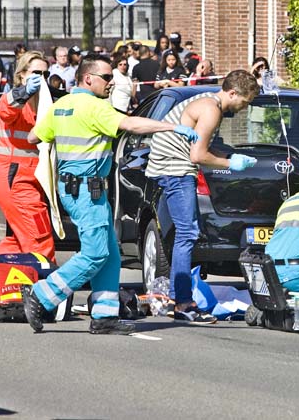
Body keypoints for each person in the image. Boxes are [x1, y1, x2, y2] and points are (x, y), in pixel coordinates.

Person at [22, 54, 200, 335]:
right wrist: (172, 126)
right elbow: (132, 125)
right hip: (86, 189)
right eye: (107, 77)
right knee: (95, 254)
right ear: (88, 78)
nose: (112, 82)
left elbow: (34, 137)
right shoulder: (94, 107)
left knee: (111, 256)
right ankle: (41, 295)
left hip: (77, 188)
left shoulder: (62, 106)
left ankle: (105, 316)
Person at [144, 70, 259, 323]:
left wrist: (226, 155)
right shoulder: (211, 109)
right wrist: (231, 163)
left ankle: (179, 297)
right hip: (175, 169)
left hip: (171, 166)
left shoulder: (208, 101)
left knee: (185, 233)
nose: (243, 109)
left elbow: (199, 147)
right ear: (232, 93)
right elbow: (198, 156)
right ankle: (183, 302)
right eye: (245, 102)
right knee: (187, 233)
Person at [0, 51, 56, 262]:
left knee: (18, 241)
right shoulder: (17, 98)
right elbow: (4, 110)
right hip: (15, 176)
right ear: (22, 74)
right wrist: (24, 92)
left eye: (46, 74)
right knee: (39, 238)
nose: (42, 78)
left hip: (29, 178)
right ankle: (43, 291)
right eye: (36, 73)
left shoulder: (45, 102)